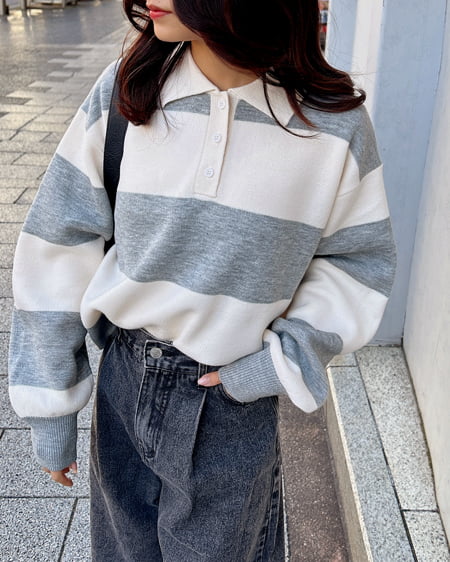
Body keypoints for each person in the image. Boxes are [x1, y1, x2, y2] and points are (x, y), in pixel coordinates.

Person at [8, 0, 396, 560]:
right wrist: (50, 406)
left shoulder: (332, 125)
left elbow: (357, 263)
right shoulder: (128, 92)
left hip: (230, 405)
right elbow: (57, 246)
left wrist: (280, 364)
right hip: (124, 381)